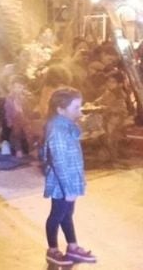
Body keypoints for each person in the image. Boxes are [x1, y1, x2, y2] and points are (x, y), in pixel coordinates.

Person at [41, 87, 97, 266]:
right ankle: (52, 250)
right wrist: (69, 189)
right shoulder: (57, 130)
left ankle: (72, 247)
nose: (79, 111)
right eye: (75, 108)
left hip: (70, 180)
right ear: (60, 109)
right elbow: (60, 163)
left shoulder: (66, 125)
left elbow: (76, 137)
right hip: (62, 183)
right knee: (57, 214)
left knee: (67, 214)